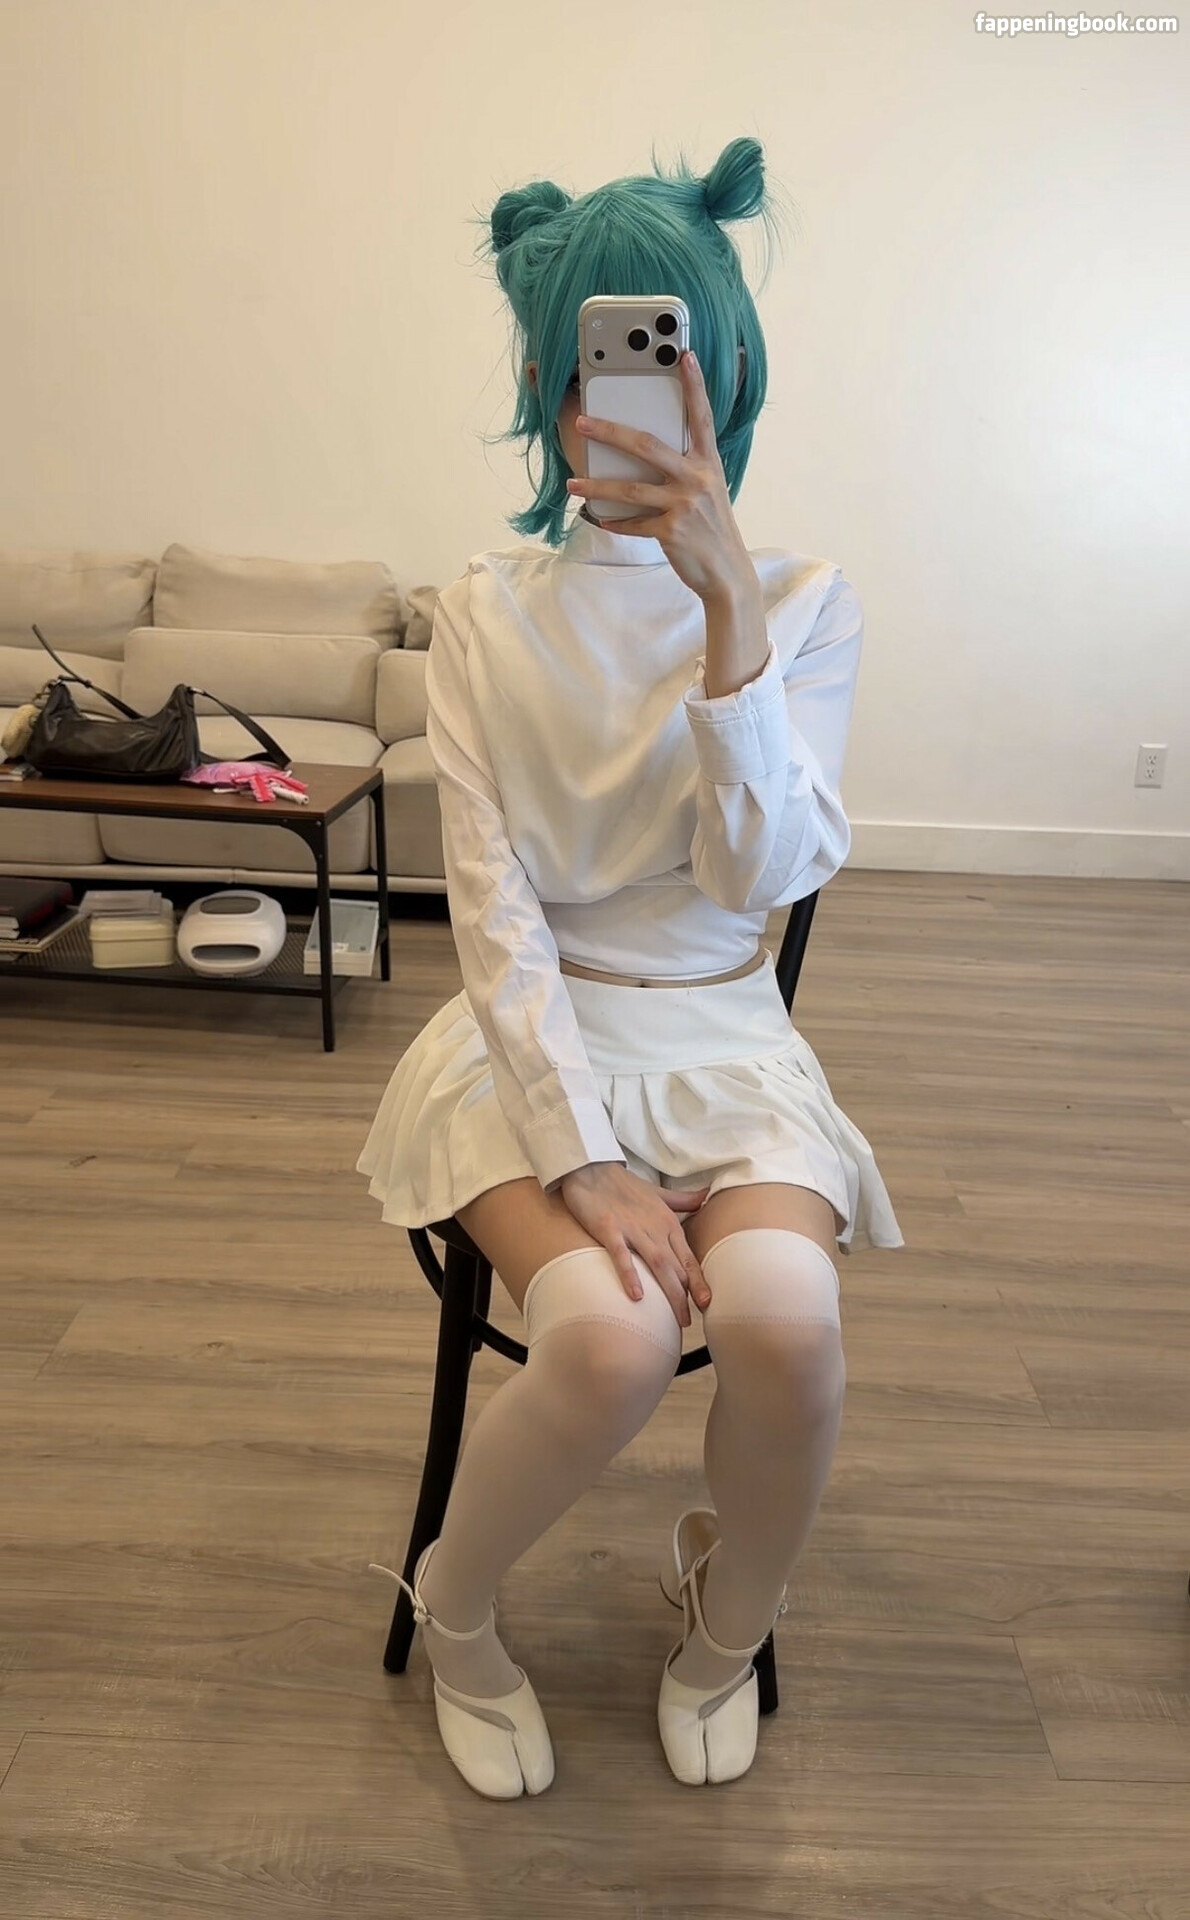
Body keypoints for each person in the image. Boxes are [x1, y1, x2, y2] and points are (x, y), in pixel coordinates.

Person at [359, 135, 905, 1800]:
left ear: (722, 368)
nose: (642, 396)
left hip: (724, 1033)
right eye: (603, 358)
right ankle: (454, 1607)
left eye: (673, 355)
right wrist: (581, 1151)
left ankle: (724, 1626)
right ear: (553, 384)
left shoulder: (803, 603)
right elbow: (491, 909)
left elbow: (766, 881)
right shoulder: (483, 609)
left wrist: (729, 619)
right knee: (606, 1337)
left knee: (787, 1322)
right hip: (529, 1040)